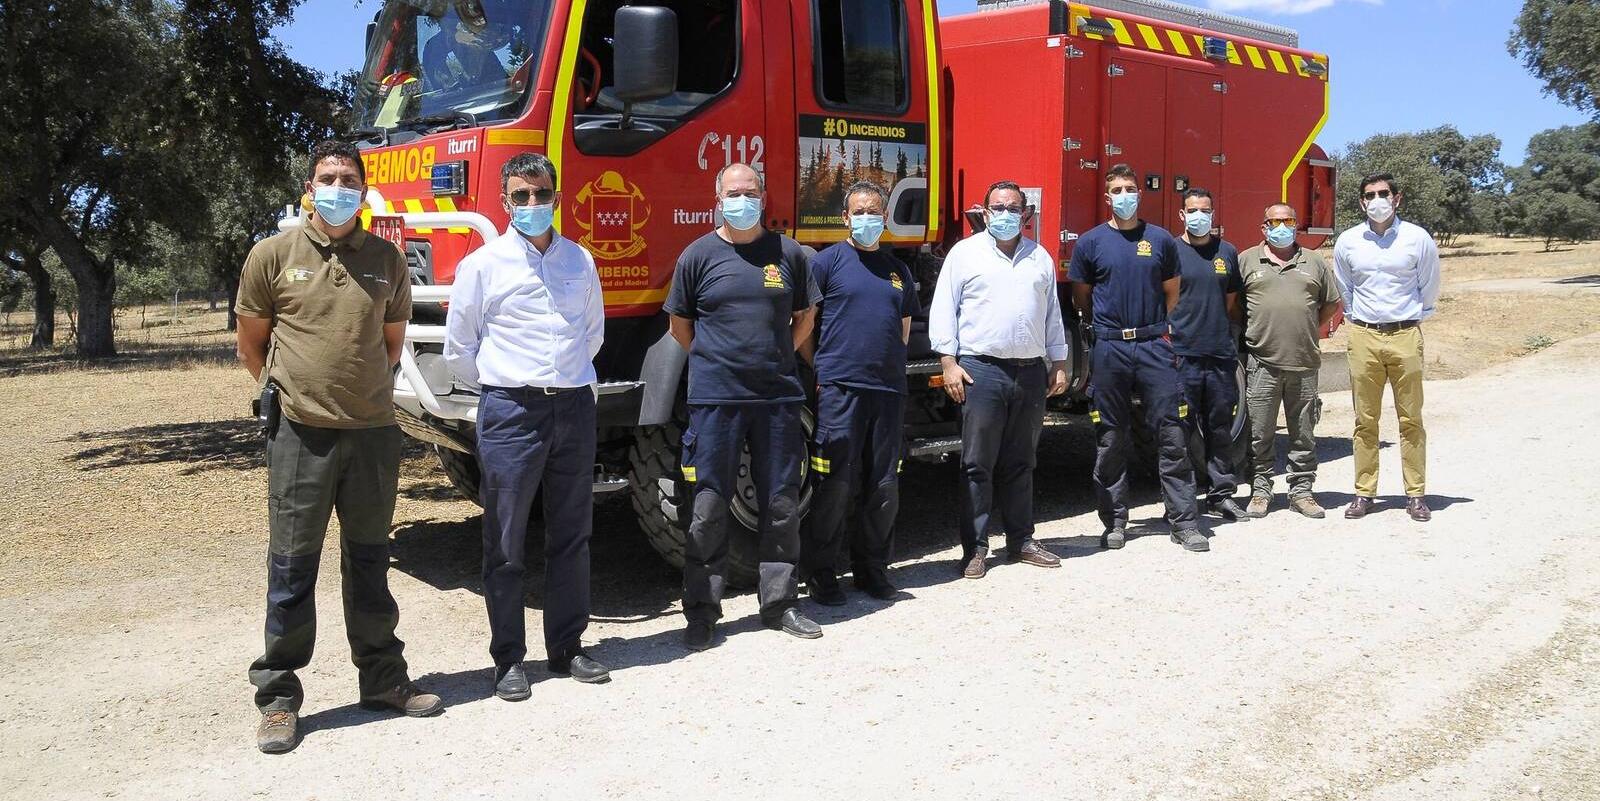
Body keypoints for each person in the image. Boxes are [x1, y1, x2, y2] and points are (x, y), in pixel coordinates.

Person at [236, 140, 441, 754]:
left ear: (364, 187)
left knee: (370, 562)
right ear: (309, 185)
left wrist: (358, 397)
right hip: (300, 434)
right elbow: (253, 344)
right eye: (327, 177)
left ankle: (383, 681)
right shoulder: (272, 256)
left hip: (374, 434)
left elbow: (391, 343)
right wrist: (297, 393)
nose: (338, 187)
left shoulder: (386, 258)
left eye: (348, 178)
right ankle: (278, 696)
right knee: (293, 568)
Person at [444, 153, 610, 702]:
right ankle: (508, 660)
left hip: (573, 409)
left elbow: (592, 334)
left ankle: (566, 648)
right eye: (522, 196)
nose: (533, 205)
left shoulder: (580, 261)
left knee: (572, 534)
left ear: (557, 198)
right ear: (504, 201)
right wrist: (506, 386)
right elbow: (460, 349)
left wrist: (562, 382)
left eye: (542, 194)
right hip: (512, 412)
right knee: (507, 539)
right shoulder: (483, 266)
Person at [665, 163, 823, 650]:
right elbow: (680, 328)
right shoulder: (697, 256)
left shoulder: (789, 253)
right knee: (709, 506)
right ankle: (702, 612)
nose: (742, 199)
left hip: (777, 399)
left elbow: (806, 316)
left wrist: (772, 360)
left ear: (763, 195)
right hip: (716, 402)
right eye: (733, 192)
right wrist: (721, 365)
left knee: (780, 504)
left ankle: (779, 604)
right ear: (717, 196)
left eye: (750, 191)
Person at [930, 180, 1069, 579]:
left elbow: (1052, 315)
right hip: (981, 372)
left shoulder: (1039, 256)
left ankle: (1021, 540)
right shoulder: (965, 254)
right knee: (977, 464)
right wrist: (948, 362)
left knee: (1022, 461)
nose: (1005, 214)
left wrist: (1058, 361)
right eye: (998, 207)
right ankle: (975, 548)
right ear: (985, 212)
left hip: (1029, 372)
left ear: (1025, 214)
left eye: (1013, 208)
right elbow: (944, 308)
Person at [1069, 164, 1206, 552]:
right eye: (1117, 189)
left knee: (1171, 433)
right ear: (1107, 196)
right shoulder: (1090, 243)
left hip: (1153, 346)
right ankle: (1114, 522)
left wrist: (1150, 329)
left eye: (1131, 188)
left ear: (1139, 195)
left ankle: (1184, 522)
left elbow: (1171, 292)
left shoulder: (1160, 240)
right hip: (1110, 347)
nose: (1124, 194)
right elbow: (1082, 297)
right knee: (1110, 437)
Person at [798, 181, 920, 604]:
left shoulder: (897, 270)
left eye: (874, 211)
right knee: (833, 483)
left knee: (883, 486)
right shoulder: (826, 263)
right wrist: (824, 366)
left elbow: (902, 331)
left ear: (884, 218)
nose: (867, 218)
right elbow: (805, 325)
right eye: (859, 211)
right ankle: (822, 574)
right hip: (839, 390)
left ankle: (872, 571)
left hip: (887, 390)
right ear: (845, 218)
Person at [1333, 173, 1440, 522]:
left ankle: (1416, 494)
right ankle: (1364, 493)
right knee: (1365, 419)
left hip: (1406, 334)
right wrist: (1358, 320)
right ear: (1362, 201)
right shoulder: (1348, 241)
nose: (1377, 199)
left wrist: (1411, 319)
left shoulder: (1417, 238)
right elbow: (1344, 288)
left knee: (1411, 418)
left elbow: (1429, 285)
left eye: (1383, 193)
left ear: (1397, 198)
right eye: (1370, 194)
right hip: (1363, 336)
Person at [1238, 203, 1343, 518]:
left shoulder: (1313, 262)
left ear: (1296, 225)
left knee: (1304, 431)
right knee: (1260, 432)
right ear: (1264, 227)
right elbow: (1235, 307)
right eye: (1275, 221)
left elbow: (1330, 304)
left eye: (1288, 221)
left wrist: (1307, 328)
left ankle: (1301, 491)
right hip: (1261, 363)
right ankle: (1260, 490)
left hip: (1304, 362)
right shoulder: (1246, 261)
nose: (1282, 226)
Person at [1170, 188, 1248, 522]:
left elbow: (1231, 299)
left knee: (1218, 428)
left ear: (1213, 214)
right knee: (1179, 432)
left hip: (1219, 355)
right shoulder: (1169, 250)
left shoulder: (1227, 252)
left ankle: (1221, 495)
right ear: (1182, 215)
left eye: (1205, 210)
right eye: (1192, 210)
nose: (1199, 216)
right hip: (1181, 356)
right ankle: (1182, 503)